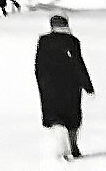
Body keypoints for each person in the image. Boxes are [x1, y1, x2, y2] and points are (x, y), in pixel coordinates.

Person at [34, 14, 94, 160]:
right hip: (70, 85)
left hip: (49, 85)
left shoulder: (44, 41)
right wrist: (87, 85)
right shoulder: (72, 41)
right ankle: (73, 146)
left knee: (55, 117)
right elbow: (78, 64)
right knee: (72, 118)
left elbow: (38, 65)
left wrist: (41, 83)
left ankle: (59, 147)